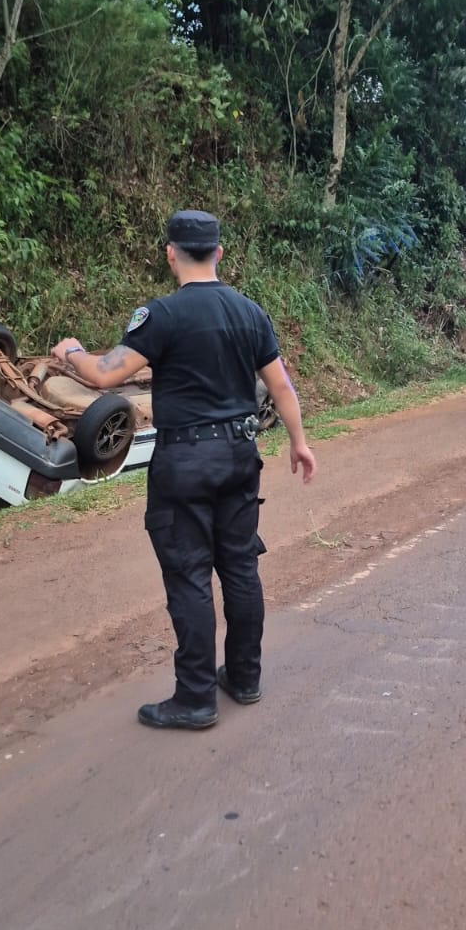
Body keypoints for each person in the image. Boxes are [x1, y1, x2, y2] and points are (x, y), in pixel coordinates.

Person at [52, 210, 316, 732]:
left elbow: (106, 375)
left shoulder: (162, 315)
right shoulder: (250, 312)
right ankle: (244, 677)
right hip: (241, 457)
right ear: (219, 253)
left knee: (190, 576)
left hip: (185, 464)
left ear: (171, 253)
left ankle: (195, 697)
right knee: (240, 567)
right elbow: (281, 386)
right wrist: (299, 442)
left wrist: (72, 351)